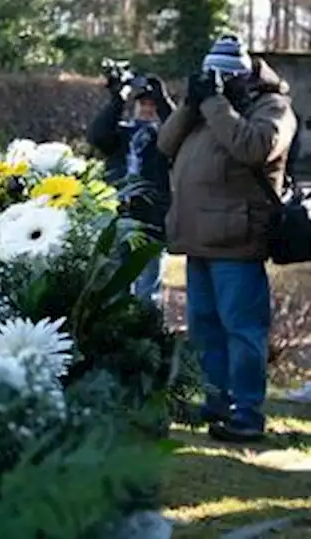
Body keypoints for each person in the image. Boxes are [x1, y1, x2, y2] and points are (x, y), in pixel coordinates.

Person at [157, 35, 297, 444]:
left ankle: (247, 412)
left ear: (244, 76)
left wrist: (217, 104)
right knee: (205, 329)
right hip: (197, 238)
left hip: (238, 239)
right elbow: (165, 144)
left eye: (223, 75)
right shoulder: (204, 110)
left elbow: (254, 147)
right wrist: (190, 104)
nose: (215, 81)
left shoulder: (273, 107)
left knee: (243, 329)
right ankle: (216, 402)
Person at [87, 64, 175, 307]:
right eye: (142, 104)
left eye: (151, 106)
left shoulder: (164, 139)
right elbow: (97, 136)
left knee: (149, 284)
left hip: (151, 216)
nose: (147, 109)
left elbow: (179, 132)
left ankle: (148, 332)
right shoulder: (120, 135)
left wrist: (164, 100)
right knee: (114, 281)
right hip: (117, 212)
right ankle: (118, 330)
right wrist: (117, 99)